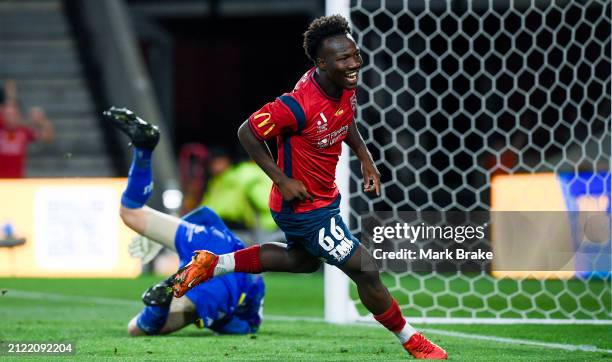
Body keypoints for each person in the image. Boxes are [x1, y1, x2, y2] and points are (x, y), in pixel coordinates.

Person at [171, 15, 447, 359]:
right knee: (365, 268)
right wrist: (281, 179)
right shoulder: (296, 105)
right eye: (343, 59)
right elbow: (247, 132)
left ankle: (214, 264)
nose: (353, 64)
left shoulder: (345, 84)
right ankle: (412, 341)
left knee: (302, 261)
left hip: (321, 200)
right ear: (321, 63)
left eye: (355, 55)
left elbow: (345, 120)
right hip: (304, 206)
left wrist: (365, 157)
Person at [102, 107, 264, 336]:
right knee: (138, 329)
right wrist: (215, 321)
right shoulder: (250, 298)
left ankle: (144, 150)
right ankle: (164, 299)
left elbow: (206, 214)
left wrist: (165, 235)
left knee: (131, 212)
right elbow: (246, 327)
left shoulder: (231, 179)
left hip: (217, 239)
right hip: (219, 280)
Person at [199, 147, 279, 244]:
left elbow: (264, 201)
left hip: (252, 227)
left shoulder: (241, 173)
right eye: (213, 163)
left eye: (219, 161)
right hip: (225, 228)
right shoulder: (217, 181)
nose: (215, 166)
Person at [0, 80, 54, 178]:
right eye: (7, 113)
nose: (10, 116)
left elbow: (47, 138)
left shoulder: (23, 131)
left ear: (18, 114)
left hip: (18, 180)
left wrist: (43, 121)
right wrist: (10, 94)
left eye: (13, 113)